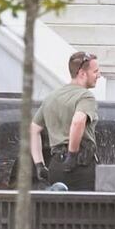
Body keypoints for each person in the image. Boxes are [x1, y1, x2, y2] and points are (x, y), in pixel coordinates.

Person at [30, 51, 101, 191]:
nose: (99, 75)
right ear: (82, 73)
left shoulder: (52, 97)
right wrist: (72, 155)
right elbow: (78, 121)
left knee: (58, 211)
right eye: (96, 71)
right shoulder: (86, 96)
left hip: (56, 166)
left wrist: (39, 165)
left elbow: (33, 129)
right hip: (81, 166)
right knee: (85, 211)